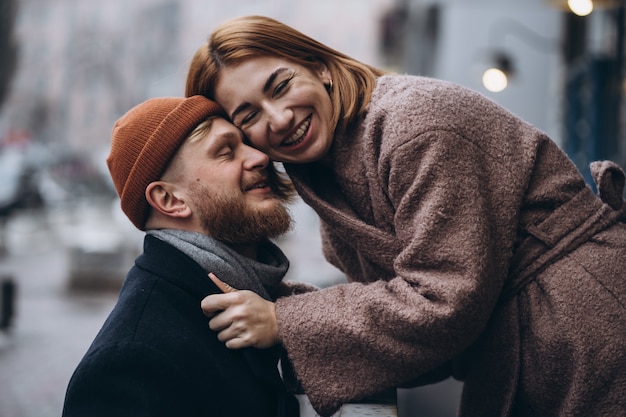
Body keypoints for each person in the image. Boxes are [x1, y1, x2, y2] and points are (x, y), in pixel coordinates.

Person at [185, 15, 626, 417]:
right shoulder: (328, 183)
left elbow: (444, 301)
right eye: (249, 116)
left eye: (280, 86)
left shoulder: (415, 127)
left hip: (590, 328)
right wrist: (276, 308)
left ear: (318, 66)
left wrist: (283, 320)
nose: (278, 119)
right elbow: (402, 336)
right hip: (543, 345)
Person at [61, 95, 301, 417]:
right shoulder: (130, 364)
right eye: (226, 151)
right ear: (170, 199)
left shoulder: (248, 295)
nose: (259, 156)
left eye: (246, 143)